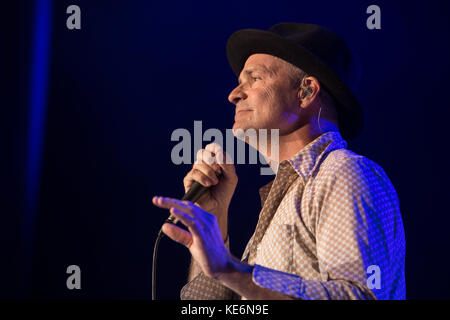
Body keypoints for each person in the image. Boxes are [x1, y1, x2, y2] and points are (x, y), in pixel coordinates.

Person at [152, 23, 406, 300]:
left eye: (255, 78)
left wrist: (229, 269)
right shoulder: (287, 196)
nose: (234, 94)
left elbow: (363, 296)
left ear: (306, 91)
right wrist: (216, 220)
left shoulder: (345, 173)